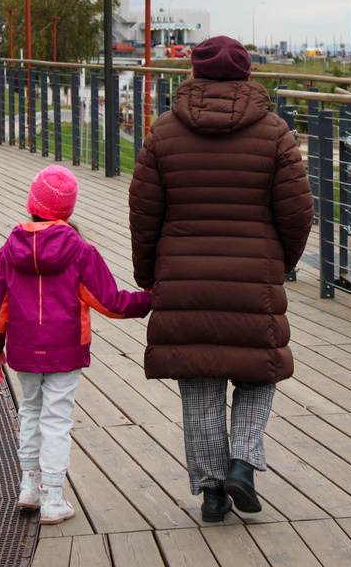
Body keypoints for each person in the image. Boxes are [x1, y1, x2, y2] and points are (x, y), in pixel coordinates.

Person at [128, 35, 313, 523]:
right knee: (261, 370)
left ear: (195, 73)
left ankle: (212, 492)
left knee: (200, 380)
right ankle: (243, 464)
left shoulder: (163, 132)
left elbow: (144, 212)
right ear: (247, 74)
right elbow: (298, 214)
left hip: (184, 276)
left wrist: (150, 275)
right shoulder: (275, 133)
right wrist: (280, 262)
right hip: (253, 275)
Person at [0, 165, 151, 524]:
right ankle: (54, 497)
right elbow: (109, 301)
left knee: (30, 410)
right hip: (65, 349)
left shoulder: (8, 250)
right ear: (67, 209)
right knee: (56, 419)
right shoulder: (80, 251)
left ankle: (29, 485)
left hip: (24, 350)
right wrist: (150, 300)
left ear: (33, 203)